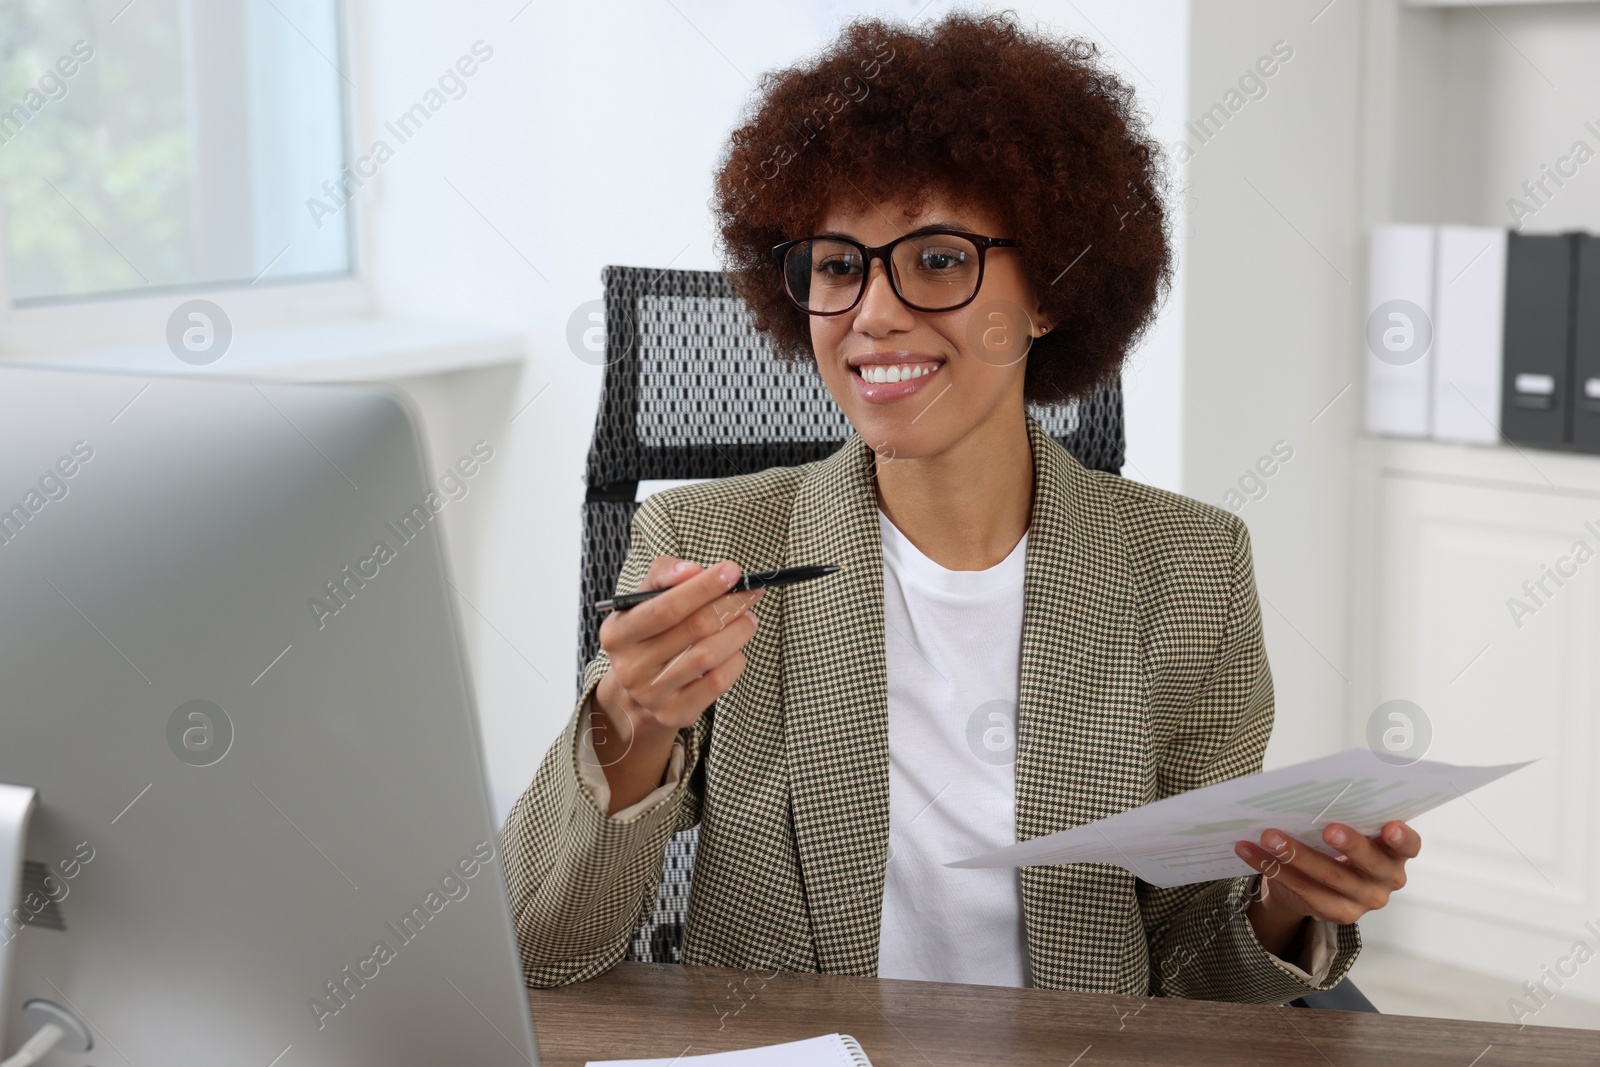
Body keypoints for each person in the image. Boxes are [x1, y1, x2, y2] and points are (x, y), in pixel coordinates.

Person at [500, 10, 1419, 1002]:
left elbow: (1195, 970)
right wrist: (628, 720)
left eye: (938, 258)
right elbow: (540, 943)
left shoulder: (1192, 567)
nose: (874, 313)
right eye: (838, 265)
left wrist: (1284, 897)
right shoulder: (709, 544)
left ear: (1050, 291)